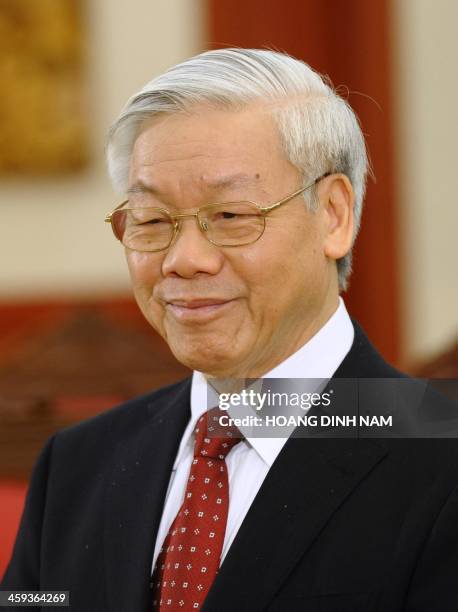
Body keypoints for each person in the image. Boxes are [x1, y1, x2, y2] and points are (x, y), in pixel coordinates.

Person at [2, 48, 458, 611]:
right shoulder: (76, 465)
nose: (184, 260)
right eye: (151, 221)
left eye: (230, 217)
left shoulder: (440, 462)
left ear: (334, 215)